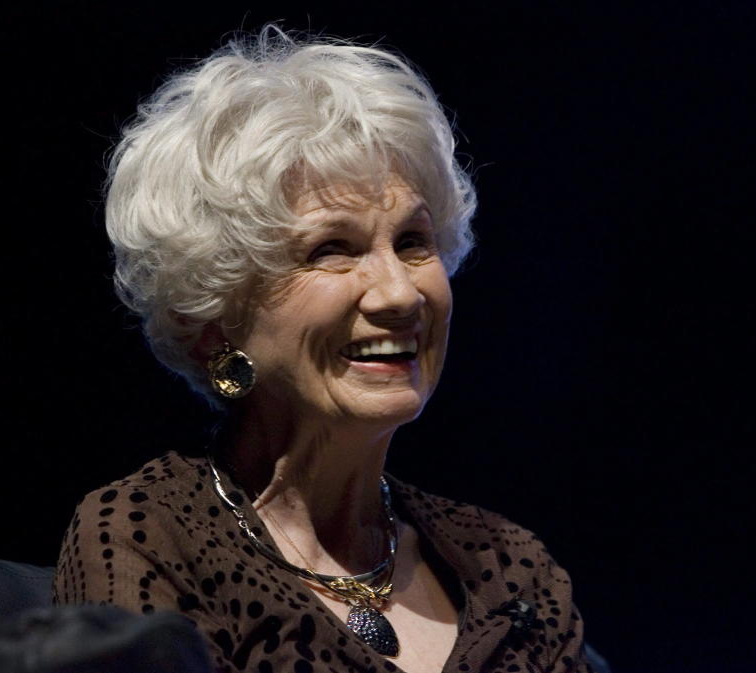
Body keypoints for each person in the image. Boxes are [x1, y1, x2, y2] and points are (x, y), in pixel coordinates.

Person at [54, 26, 593, 673]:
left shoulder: (513, 572)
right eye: (331, 249)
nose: (399, 293)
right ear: (212, 317)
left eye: (415, 241)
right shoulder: (153, 536)